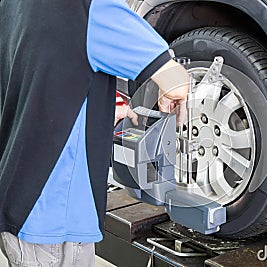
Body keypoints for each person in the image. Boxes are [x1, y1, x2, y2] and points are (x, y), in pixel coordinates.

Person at [0, 0, 189, 266]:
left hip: (20, 196)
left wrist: (94, 105)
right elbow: (177, 81)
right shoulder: (91, 6)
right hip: (56, 221)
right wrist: (174, 92)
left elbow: (43, 67)